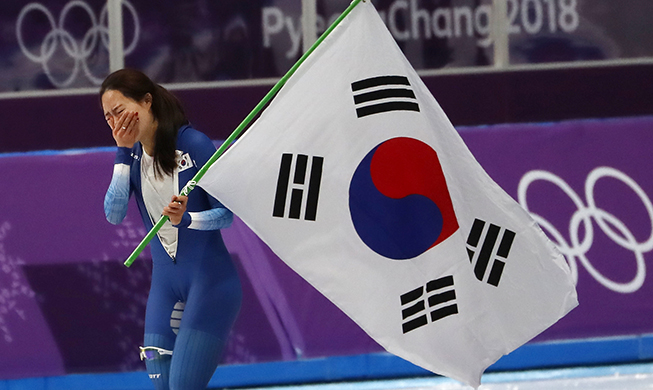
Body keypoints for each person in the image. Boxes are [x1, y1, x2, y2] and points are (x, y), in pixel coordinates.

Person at [101, 68, 242, 390]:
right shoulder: (132, 155)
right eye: (108, 118)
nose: (115, 123)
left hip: (212, 285)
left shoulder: (194, 144)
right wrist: (122, 152)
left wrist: (188, 219)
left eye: (120, 111)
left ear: (146, 101)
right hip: (165, 287)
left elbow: (227, 215)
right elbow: (113, 213)